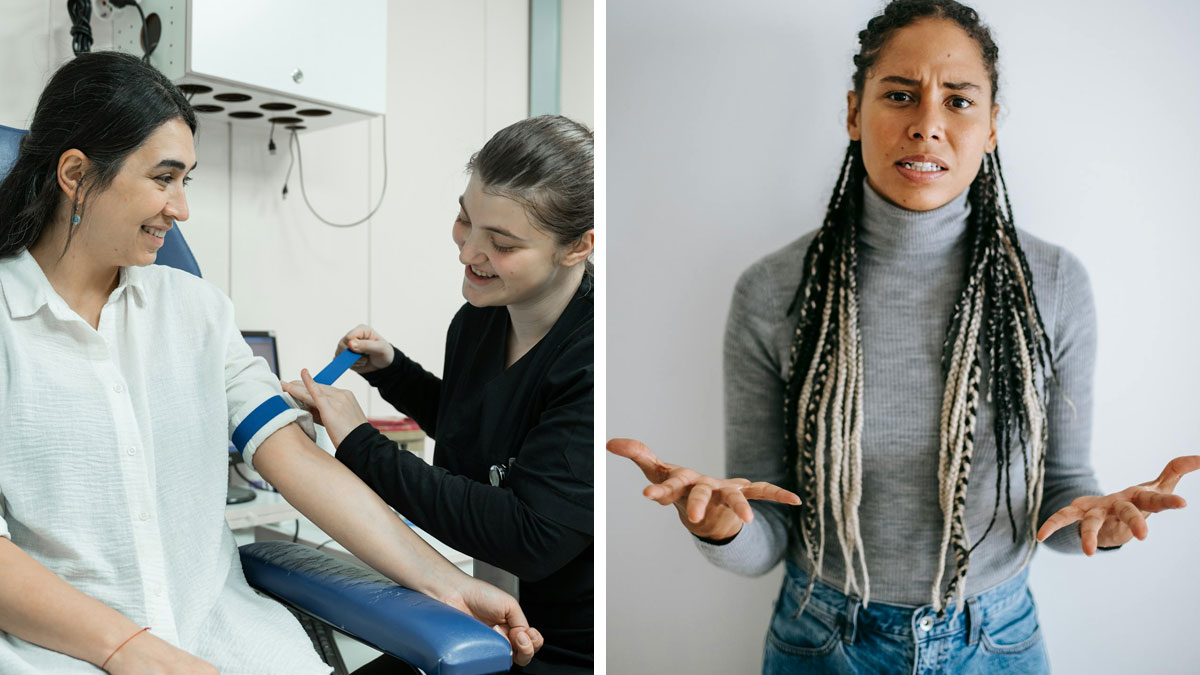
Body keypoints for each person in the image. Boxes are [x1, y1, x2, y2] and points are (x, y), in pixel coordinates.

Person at [608, 1, 1199, 673]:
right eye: (900, 95)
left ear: (992, 126)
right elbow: (768, 530)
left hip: (996, 641)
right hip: (822, 640)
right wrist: (717, 525)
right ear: (855, 113)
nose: (927, 125)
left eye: (958, 100)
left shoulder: (1054, 284)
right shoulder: (774, 291)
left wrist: (1106, 526)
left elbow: (1064, 495)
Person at [0, 51, 542, 674]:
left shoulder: (196, 312)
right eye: (162, 178)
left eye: (187, 182)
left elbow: (297, 461)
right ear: (76, 172)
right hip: (62, 655)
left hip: (225, 641)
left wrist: (448, 583)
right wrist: (130, 651)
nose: (180, 211)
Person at [283, 115, 595, 674]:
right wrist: (394, 373)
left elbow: (530, 535)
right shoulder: (478, 321)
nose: (468, 252)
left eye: (500, 243)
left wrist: (360, 442)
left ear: (577, 248)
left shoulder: (596, 358)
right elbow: (480, 430)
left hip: (564, 649)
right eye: (464, 219)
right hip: (492, 618)